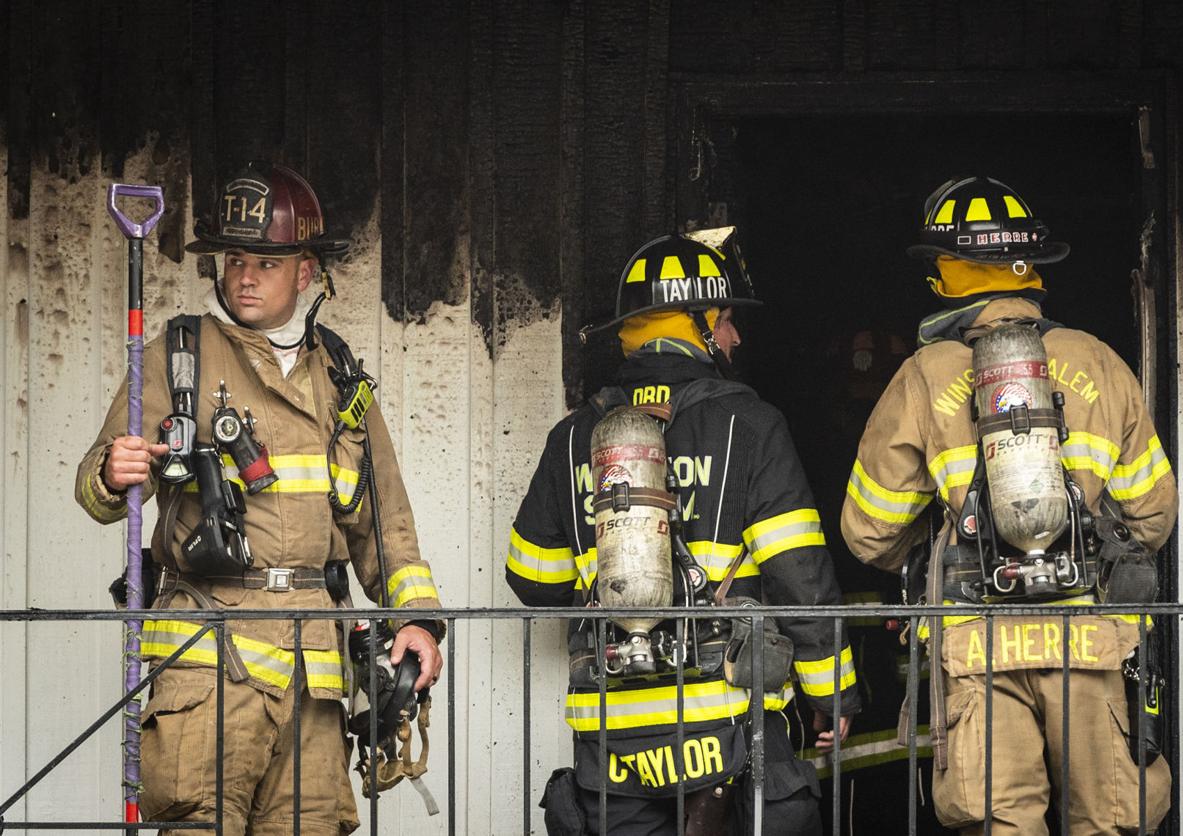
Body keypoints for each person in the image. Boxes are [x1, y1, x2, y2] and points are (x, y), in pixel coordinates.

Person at [76, 162, 444, 835]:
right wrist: (113, 471)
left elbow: (383, 522)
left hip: (315, 678)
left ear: (305, 273)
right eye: (235, 258)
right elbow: (100, 493)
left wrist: (417, 620)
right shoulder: (176, 357)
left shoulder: (340, 375)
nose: (245, 275)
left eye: (266, 262)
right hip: (205, 669)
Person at [840, 176, 1178, 835]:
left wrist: (943, 550)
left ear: (944, 275)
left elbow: (867, 530)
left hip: (974, 643)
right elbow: (1152, 516)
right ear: (1033, 270)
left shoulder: (926, 373)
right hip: (1091, 642)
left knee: (998, 822)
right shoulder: (1097, 362)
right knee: (1107, 821)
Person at [508, 228, 860, 835]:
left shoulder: (572, 438)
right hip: (727, 725)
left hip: (614, 740)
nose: (735, 336)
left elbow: (533, 578)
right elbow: (799, 574)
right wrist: (834, 695)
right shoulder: (750, 426)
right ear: (696, 323)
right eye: (725, 320)